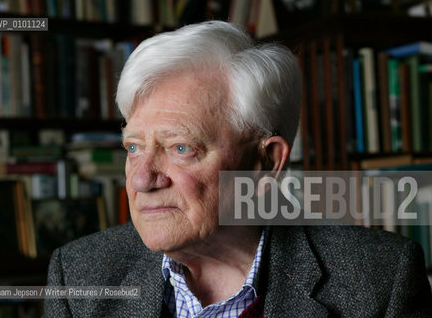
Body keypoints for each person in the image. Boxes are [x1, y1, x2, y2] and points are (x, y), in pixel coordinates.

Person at [44, 21, 432, 317]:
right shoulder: (78, 278)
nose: (143, 179)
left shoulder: (380, 281)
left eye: (181, 148)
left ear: (266, 163)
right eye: (133, 147)